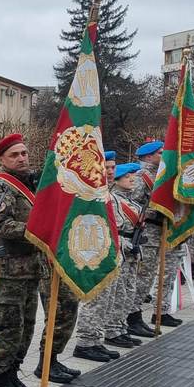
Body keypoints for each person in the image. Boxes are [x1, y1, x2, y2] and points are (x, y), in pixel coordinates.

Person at [0, 133, 42, 387]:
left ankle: (13, 375)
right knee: (7, 327)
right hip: (8, 270)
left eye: (23, 153)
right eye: (14, 155)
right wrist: (37, 231)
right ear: (2, 160)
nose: (21, 158)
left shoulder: (25, 184)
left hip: (30, 268)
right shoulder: (0, 186)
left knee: (26, 327)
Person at [73, 154, 134, 362]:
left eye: (112, 167)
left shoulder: (110, 194)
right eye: (105, 167)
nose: (109, 171)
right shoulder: (90, 192)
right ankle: (85, 342)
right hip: (94, 251)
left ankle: (97, 340)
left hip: (112, 250)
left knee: (108, 297)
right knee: (95, 298)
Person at [132, 140, 184, 329]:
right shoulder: (141, 177)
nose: (165, 156)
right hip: (151, 232)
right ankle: (133, 315)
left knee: (167, 273)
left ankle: (161, 311)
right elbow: (133, 206)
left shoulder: (164, 176)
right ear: (148, 157)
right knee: (144, 276)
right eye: (161, 153)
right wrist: (154, 211)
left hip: (167, 229)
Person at [100, 163, 148, 347]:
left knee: (128, 291)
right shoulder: (113, 200)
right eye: (127, 176)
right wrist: (126, 245)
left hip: (132, 251)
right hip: (122, 249)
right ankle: (112, 330)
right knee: (119, 292)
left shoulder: (130, 201)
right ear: (118, 180)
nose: (132, 179)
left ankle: (120, 327)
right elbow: (114, 229)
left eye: (133, 176)